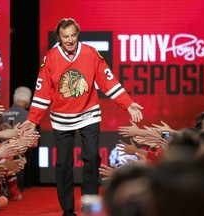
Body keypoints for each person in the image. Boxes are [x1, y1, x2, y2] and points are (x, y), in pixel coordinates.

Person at [23, 18, 143, 215]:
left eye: (73, 35)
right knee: (63, 164)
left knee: (92, 158)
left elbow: (108, 80)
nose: (70, 40)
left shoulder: (90, 53)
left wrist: (128, 104)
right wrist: (32, 120)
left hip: (89, 114)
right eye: (65, 37)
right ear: (59, 38)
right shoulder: (51, 58)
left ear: (77, 34)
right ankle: (68, 210)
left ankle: (89, 204)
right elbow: (42, 91)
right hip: (61, 118)